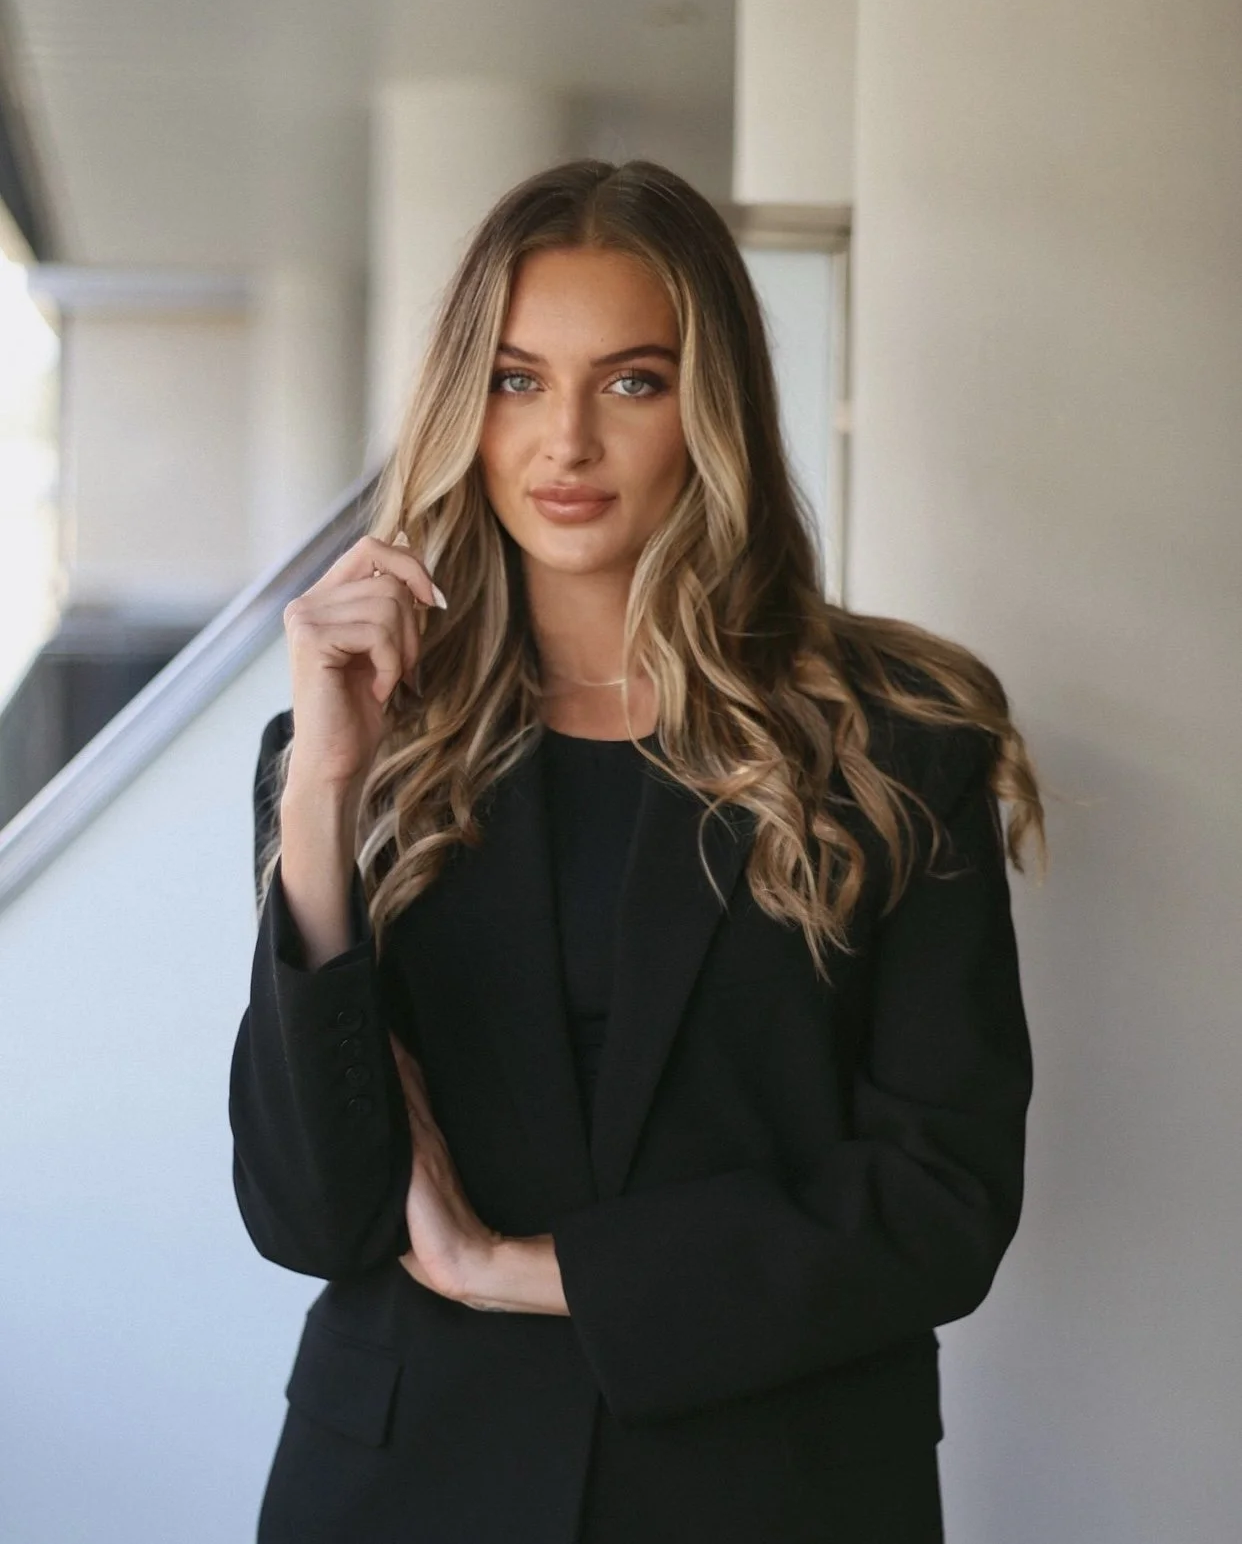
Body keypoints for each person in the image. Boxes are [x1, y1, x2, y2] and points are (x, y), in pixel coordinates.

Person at [228, 157, 1045, 1544]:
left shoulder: (896, 743)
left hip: (772, 1486)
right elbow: (313, 1216)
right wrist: (321, 796)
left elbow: (938, 1203)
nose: (564, 442)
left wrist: (522, 1270)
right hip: (407, 1482)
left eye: (630, 380)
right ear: (460, 408)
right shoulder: (364, 752)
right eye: (512, 378)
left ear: (709, 406)